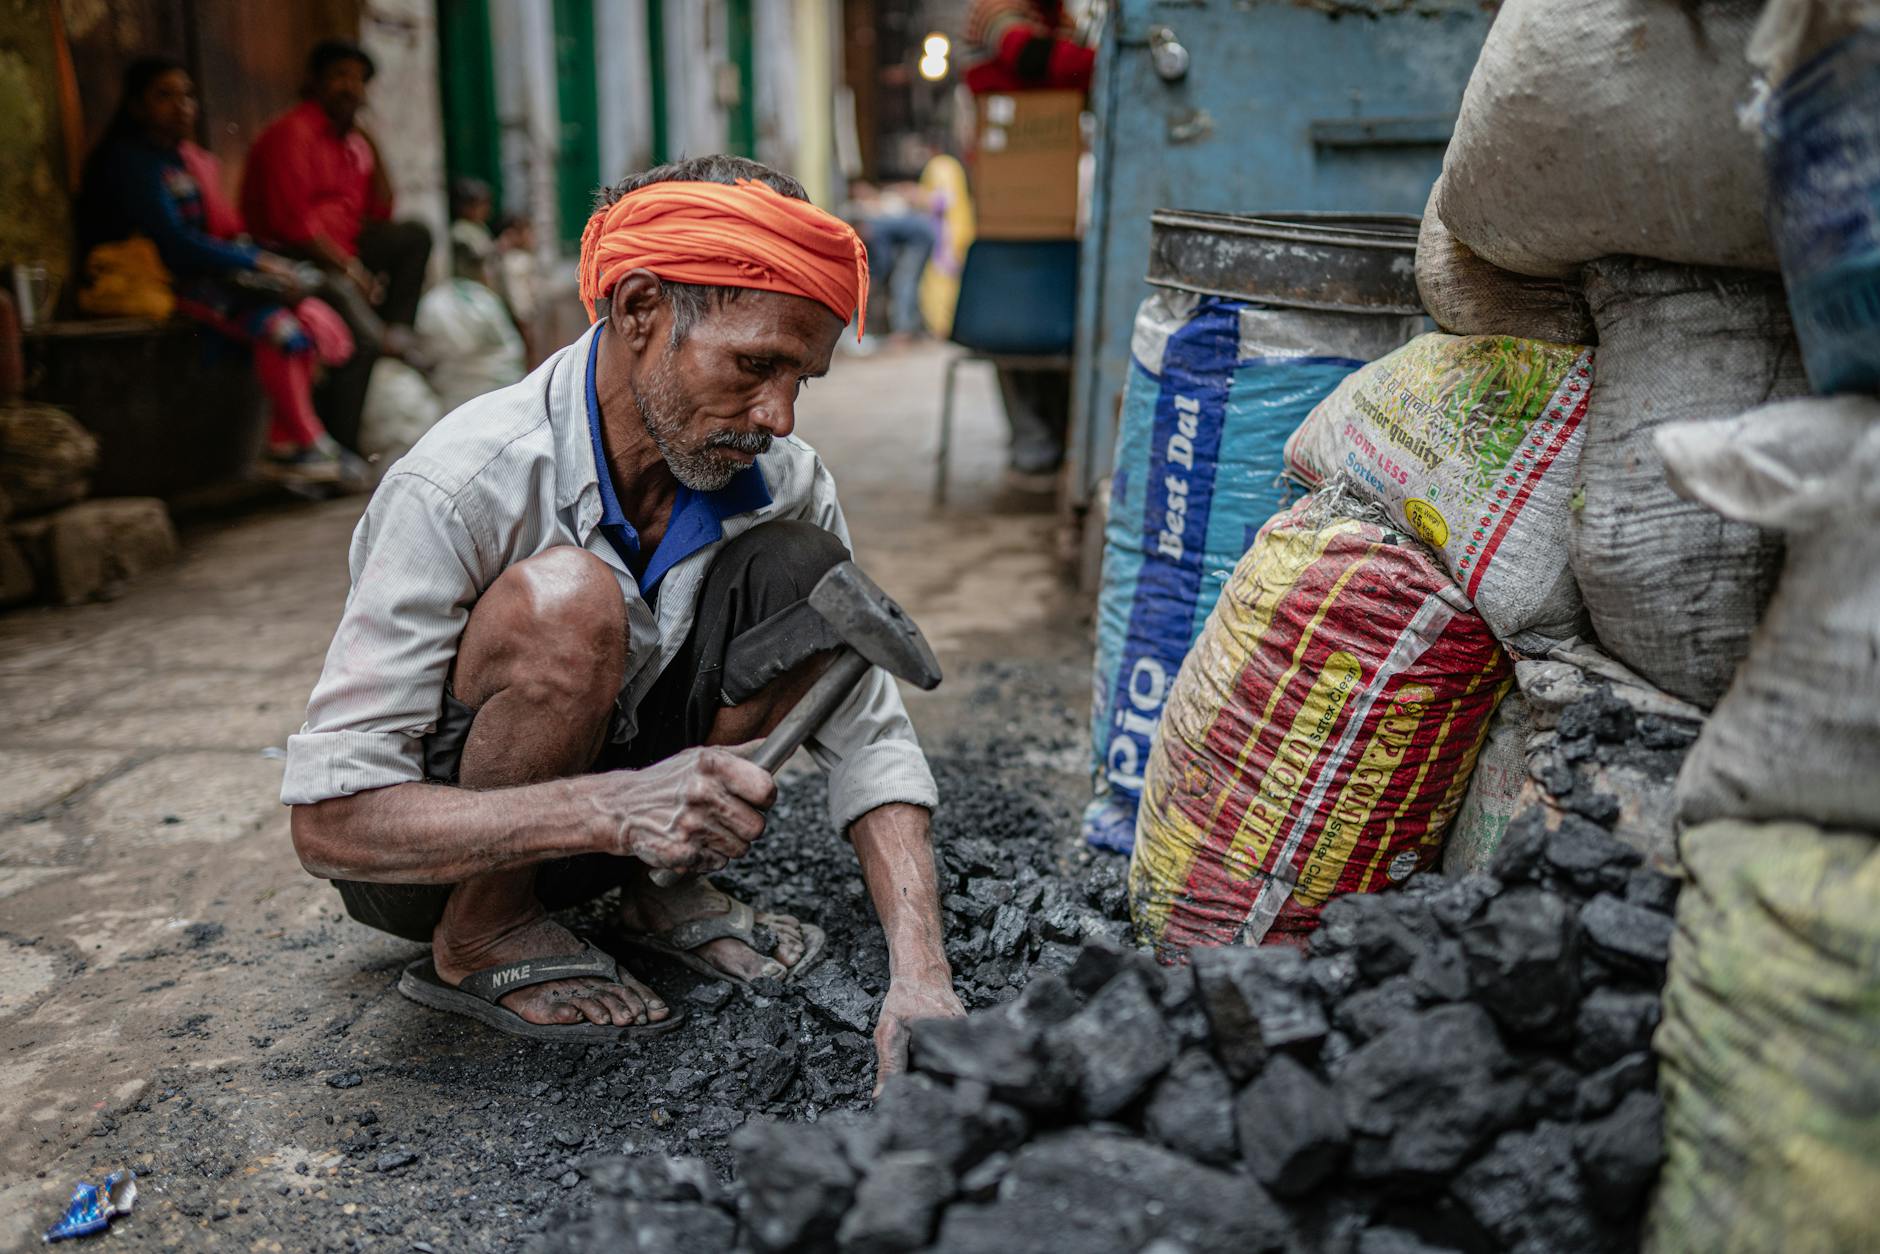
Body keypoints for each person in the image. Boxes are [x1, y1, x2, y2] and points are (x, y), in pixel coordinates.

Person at [283, 155, 966, 1085]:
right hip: (431, 857)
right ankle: (484, 931)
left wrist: (921, 976)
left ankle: (660, 893)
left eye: (801, 377)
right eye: (755, 364)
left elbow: (871, 738)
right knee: (568, 603)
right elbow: (329, 825)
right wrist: (610, 808)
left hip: (629, 840)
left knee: (804, 573)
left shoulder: (785, 482)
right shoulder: (465, 480)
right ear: (641, 310)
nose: (777, 412)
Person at [74, 56, 358, 488]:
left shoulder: (182, 161)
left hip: (203, 276)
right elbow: (174, 243)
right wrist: (255, 262)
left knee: (301, 325)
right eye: (164, 96)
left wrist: (258, 259)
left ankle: (291, 443)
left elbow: (218, 230)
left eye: (186, 95)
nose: (181, 105)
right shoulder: (131, 164)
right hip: (164, 284)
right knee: (282, 332)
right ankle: (304, 440)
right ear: (136, 106)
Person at [241, 38, 433, 452]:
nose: (349, 87)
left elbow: (381, 210)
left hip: (342, 251)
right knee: (361, 334)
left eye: (358, 80)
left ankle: (396, 330)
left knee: (414, 235)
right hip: (290, 255)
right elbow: (292, 225)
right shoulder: (293, 134)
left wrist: (371, 140)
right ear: (315, 82)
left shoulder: (352, 144)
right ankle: (340, 444)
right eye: (339, 77)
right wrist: (351, 269)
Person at [961, 0, 1094, 475]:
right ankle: (1035, 441)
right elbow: (1039, 60)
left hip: (1052, 199)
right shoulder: (998, 10)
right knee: (1011, 325)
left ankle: (1052, 439)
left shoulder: (1060, 17)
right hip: (1010, 195)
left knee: (1058, 328)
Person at [847, 179, 938, 345]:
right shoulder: (873, 223)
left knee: (903, 282)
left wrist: (874, 280)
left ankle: (904, 331)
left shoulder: (873, 229)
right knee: (909, 282)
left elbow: (884, 260)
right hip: (921, 233)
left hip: (921, 238)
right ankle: (913, 327)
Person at [962, 0, 1096, 94]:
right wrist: (1097, 60)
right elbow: (1027, 55)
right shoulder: (997, 4)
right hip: (1012, 119)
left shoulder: (1049, 11)